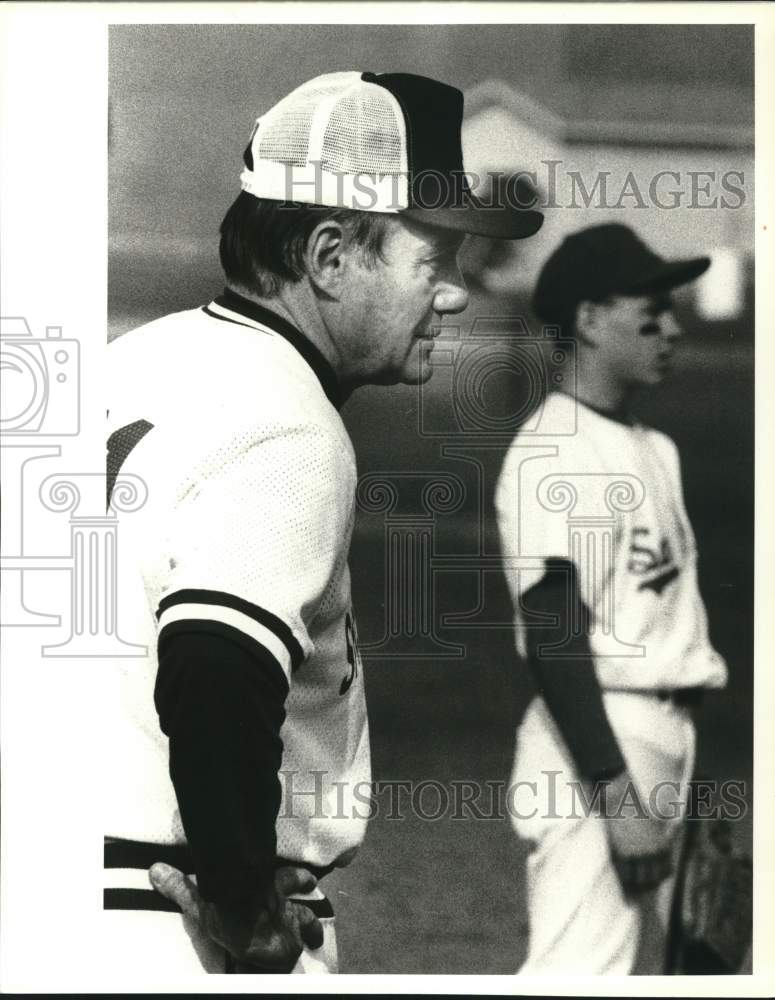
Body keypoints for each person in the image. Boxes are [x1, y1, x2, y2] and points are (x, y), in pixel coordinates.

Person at [104, 70, 543, 977]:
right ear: (331, 256)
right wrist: (241, 902)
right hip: (184, 927)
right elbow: (216, 664)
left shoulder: (129, 363)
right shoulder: (287, 424)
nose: (455, 294)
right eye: (435, 261)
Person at [495, 223, 727, 974]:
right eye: (650, 311)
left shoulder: (650, 448)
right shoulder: (554, 452)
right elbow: (555, 636)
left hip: (663, 738)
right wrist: (619, 798)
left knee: (705, 961)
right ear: (589, 320)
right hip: (595, 750)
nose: (671, 327)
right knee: (580, 973)